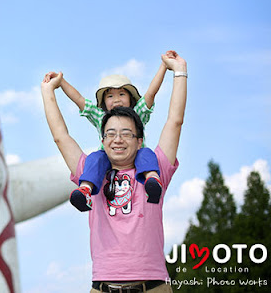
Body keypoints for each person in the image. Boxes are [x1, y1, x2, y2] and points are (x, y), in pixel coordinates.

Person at [41, 51, 187, 292]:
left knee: (149, 166)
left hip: (152, 286)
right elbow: (61, 136)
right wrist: (48, 91)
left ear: (140, 140)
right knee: (92, 169)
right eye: (110, 133)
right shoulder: (91, 170)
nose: (118, 139)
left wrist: (179, 71)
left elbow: (175, 121)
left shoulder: (157, 166)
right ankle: (85, 192)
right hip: (102, 286)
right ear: (102, 137)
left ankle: (146, 173)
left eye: (126, 133)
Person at [57, 62, 167, 211]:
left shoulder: (137, 113)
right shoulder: (102, 117)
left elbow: (151, 93)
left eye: (121, 94)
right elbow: (80, 100)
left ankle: (152, 180)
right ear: (104, 102)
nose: (116, 99)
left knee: (146, 153)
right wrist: (61, 82)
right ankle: (85, 190)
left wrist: (163, 67)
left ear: (130, 98)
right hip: (108, 158)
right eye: (110, 96)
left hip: (135, 154)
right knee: (95, 158)